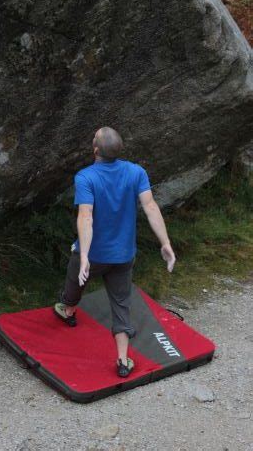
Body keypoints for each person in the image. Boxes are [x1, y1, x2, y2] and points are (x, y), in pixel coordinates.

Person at [53, 126, 176, 378]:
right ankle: (122, 360)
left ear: (95, 150)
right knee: (121, 304)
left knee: (74, 283)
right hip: (123, 255)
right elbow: (151, 206)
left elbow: (85, 216)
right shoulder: (136, 172)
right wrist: (165, 242)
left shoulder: (86, 177)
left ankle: (69, 311)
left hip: (94, 254)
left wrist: (85, 255)